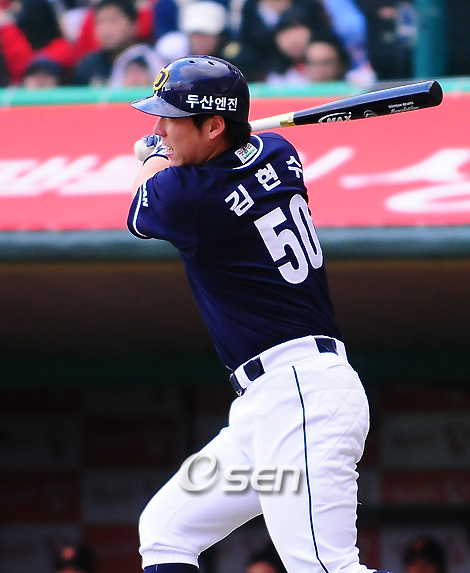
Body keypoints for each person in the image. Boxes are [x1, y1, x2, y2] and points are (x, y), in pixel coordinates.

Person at [127, 55, 395, 573]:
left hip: (300, 399)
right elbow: (233, 159)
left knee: (324, 567)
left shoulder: (189, 199)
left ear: (214, 126)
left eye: (172, 118)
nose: (159, 128)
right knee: (165, 533)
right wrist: (176, 146)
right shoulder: (279, 150)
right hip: (266, 412)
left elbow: (145, 198)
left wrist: (154, 156)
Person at [73, 0, 151, 85]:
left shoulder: (150, 59)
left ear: (133, 24)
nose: (106, 29)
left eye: (112, 20)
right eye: (100, 22)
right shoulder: (89, 67)